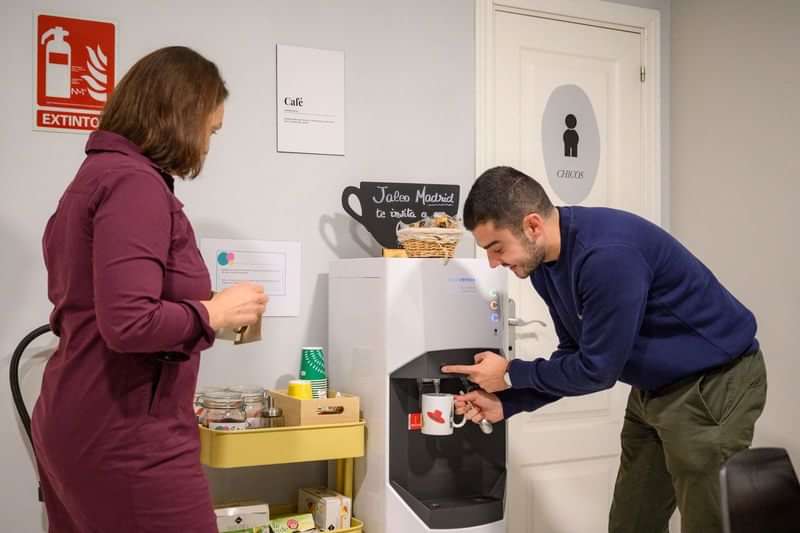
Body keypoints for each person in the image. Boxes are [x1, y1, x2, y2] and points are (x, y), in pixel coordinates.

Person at [442, 166, 766, 533]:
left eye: (496, 248)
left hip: (715, 383)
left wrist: (510, 373)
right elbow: (574, 356)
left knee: (709, 523)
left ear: (532, 226)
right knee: (631, 522)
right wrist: (510, 402)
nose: (493, 262)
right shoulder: (544, 267)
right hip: (654, 387)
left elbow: (597, 371)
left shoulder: (606, 257)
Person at [31, 46, 267, 532]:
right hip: (127, 435)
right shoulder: (133, 185)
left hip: (78, 418)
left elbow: (108, 309)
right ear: (180, 118)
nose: (207, 146)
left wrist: (201, 314)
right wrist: (212, 313)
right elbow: (130, 323)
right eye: (211, 130)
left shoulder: (93, 178)